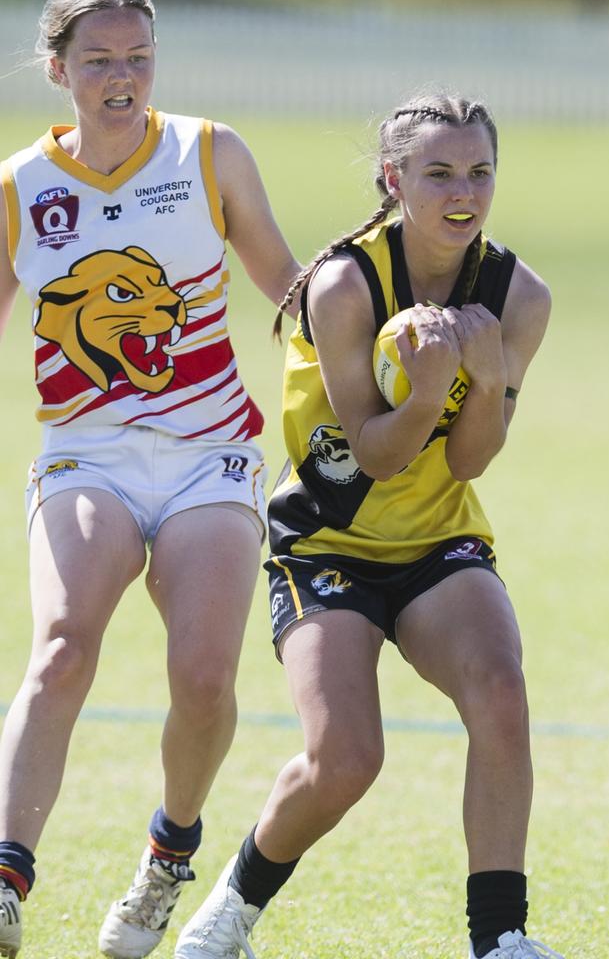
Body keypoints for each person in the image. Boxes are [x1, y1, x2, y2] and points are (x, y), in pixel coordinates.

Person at [174, 91, 563, 959]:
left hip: (436, 541)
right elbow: (379, 456)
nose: (462, 191)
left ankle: (501, 941)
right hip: (325, 542)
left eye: (479, 172)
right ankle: (235, 905)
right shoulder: (343, 284)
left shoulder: (518, 295)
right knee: (346, 758)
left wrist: (490, 375)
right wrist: (429, 387)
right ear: (393, 178)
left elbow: (467, 463)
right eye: (438, 173)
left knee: (501, 694)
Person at [0, 0, 299, 959]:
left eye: (137, 58)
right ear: (59, 69)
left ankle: (166, 862)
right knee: (63, 644)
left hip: (210, 454)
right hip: (84, 453)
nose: (121, 79)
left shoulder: (210, 153)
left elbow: (289, 289)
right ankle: (4, 878)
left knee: (205, 675)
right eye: (98, 62)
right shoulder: (20, 187)